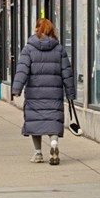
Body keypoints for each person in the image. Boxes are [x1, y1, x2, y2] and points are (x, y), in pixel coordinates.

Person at [12, 18, 76, 166]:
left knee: (36, 122)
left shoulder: (28, 49)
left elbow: (22, 70)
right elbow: (67, 73)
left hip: (35, 93)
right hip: (54, 92)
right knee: (53, 120)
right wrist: (70, 93)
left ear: (37, 30)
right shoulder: (59, 49)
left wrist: (17, 89)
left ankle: (38, 153)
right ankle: (53, 144)